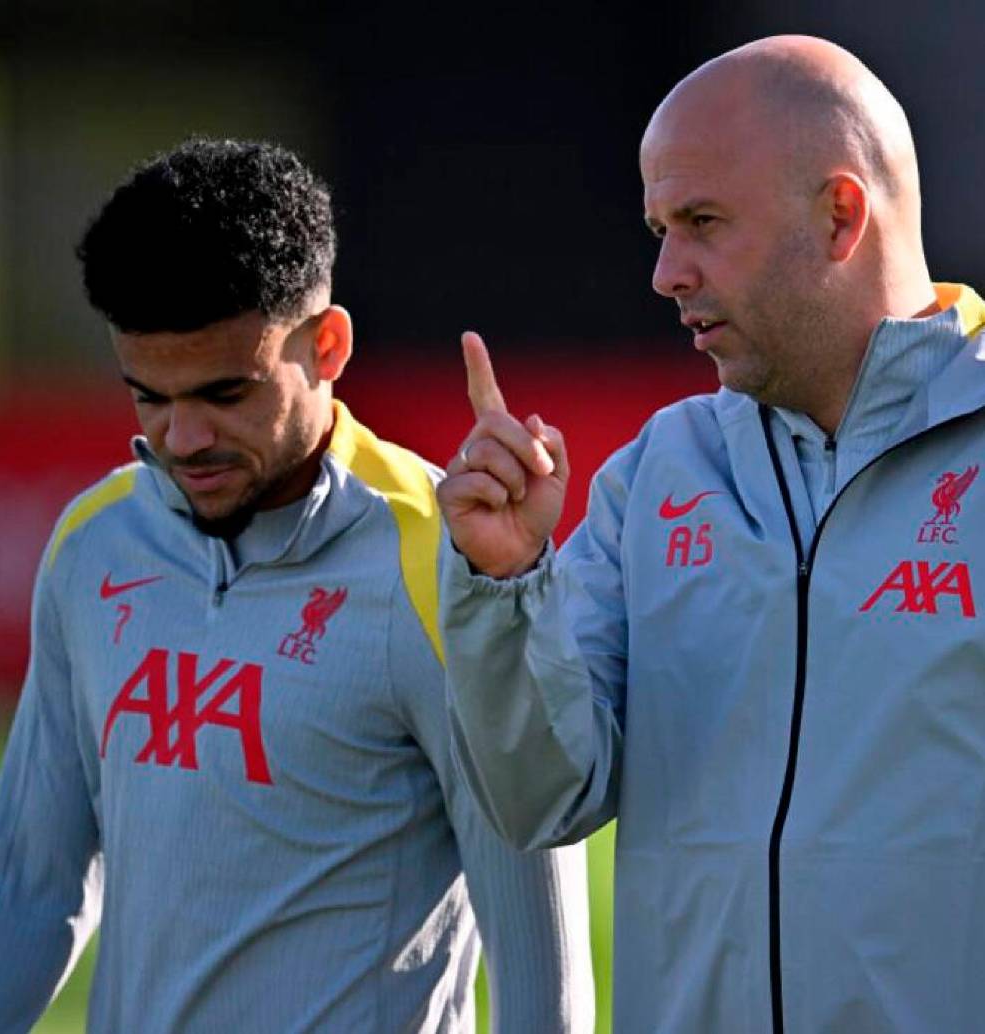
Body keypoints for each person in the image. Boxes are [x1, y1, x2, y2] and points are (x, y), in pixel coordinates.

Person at [0, 138, 594, 1033]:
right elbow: (28, 897)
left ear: (327, 345)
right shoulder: (93, 546)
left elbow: (543, 980)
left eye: (226, 394)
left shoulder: (450, 568)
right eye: (149, 397)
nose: (182, 440)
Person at [437, 34, 985, 1033]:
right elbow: (541, 799)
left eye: (700, 222)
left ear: (839, 215)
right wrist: (505, 585)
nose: (663, 273)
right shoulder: (657, 472)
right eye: (659, 228)